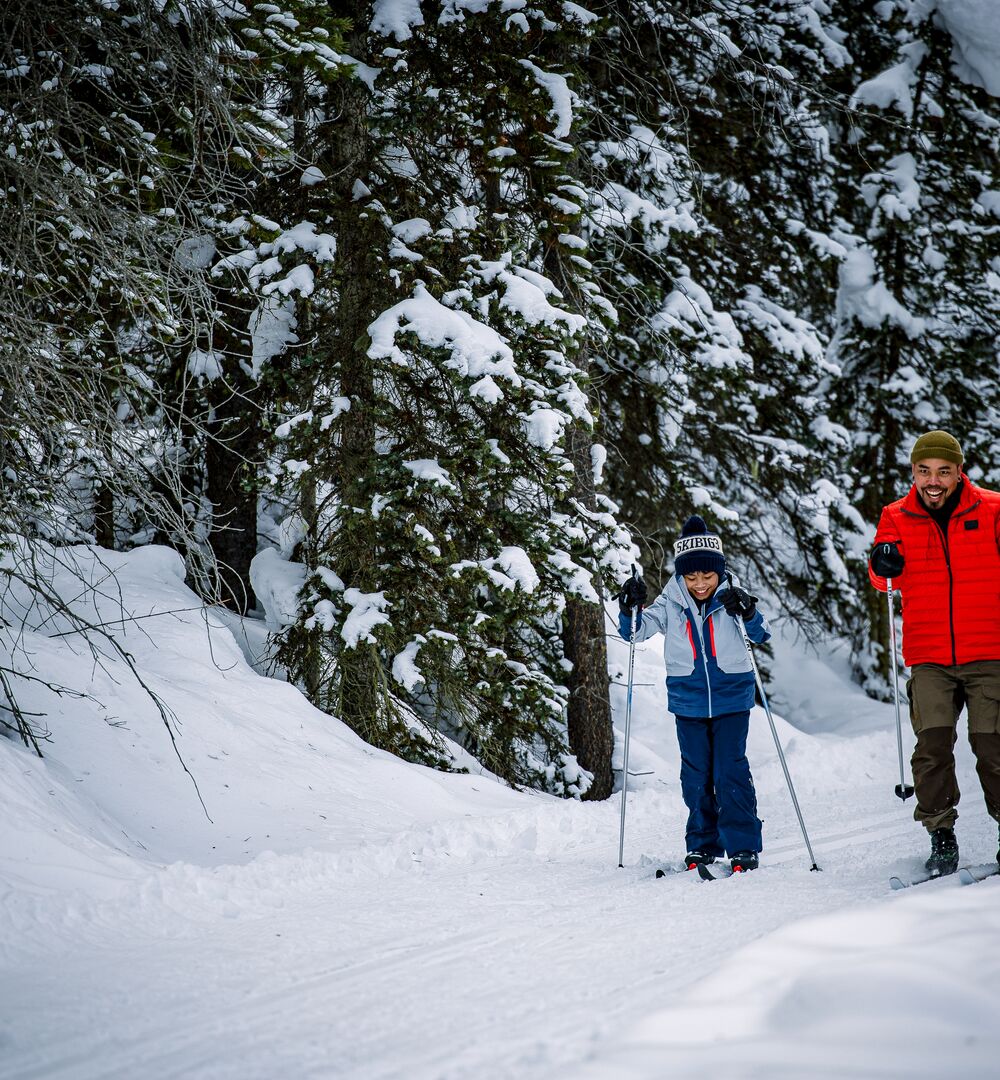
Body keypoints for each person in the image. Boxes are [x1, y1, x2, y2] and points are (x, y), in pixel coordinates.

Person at [869, 430, 1000, 877]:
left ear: (959, 472)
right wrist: (881, 563)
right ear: (914, 472)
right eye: (924, 471)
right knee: (931, 748)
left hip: (991, 651)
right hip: (929, 653)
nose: (933, 480)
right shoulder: (896, 516)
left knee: (993, 745)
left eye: (943, 471)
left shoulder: (994, 509)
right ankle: (941, 836)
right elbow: (883, 582)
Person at [618, 514, 770, 873]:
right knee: (696, 775)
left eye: (707, 575)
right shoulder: (670, 603)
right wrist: (629, 608)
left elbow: (761, 634)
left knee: (729, 771)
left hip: (732, 696)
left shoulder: (733, 599)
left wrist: (747, 612)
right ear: (681, 576)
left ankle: (743, 845)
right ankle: (702, 844)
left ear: (719, 571)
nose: (700, 583)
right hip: (688, 700)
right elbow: (635, 633)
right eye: (691, 576)